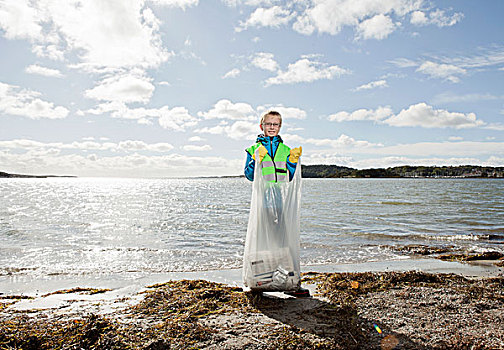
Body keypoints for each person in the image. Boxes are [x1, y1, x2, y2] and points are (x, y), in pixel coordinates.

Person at [244, 110, 310, 297]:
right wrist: (256, 160)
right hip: (261, 201)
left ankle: (290, 282)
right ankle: (258, 281)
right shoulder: (252, 149)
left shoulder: (285, 149)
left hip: (281, 201)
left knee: (284, 239)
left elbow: (289, 177)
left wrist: (292, 161)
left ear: (280, 127)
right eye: (268, 124)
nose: (272, 127)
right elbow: (249, 176)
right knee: (261, 239)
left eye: (276, 124)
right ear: (261, 126)